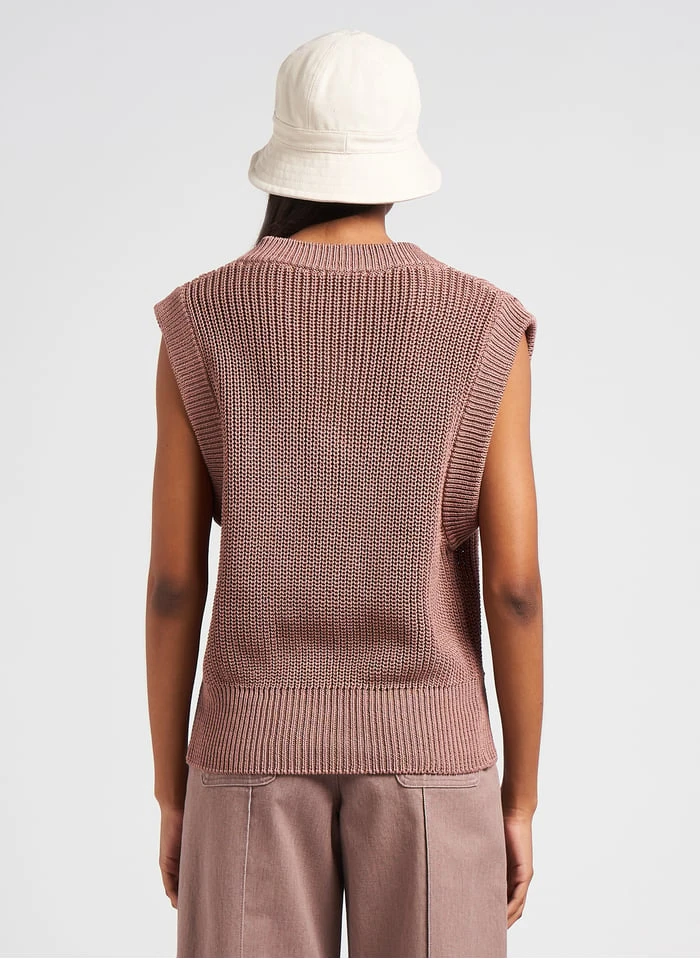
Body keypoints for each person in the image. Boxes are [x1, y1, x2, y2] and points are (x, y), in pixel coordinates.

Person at [146, 27, 543, 959]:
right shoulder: (484, 324)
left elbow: (173, 582)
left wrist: (172, 790)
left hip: (246, 748)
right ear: (400, 161)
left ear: (284, 157)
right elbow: (515, 588)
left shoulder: (202, 318)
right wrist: (519, 800)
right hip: (432, 752)